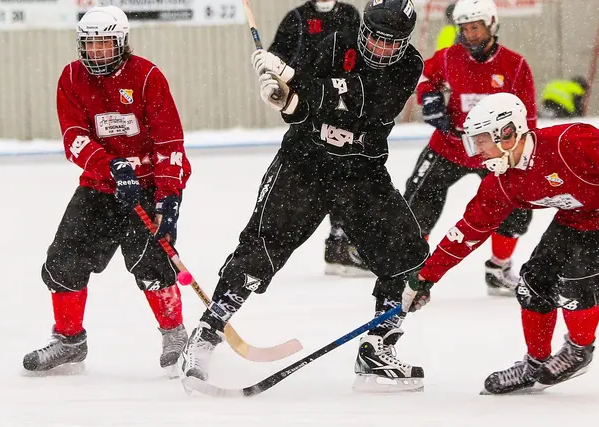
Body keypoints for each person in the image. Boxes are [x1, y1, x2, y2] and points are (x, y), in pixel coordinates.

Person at [179, 0, 429, 393]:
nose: (382, 50)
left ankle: (378, 347)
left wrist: (295, 83)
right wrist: (282, 97)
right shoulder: (332, 43)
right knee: (262, 248)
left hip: (360, 169)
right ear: (363, 30)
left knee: (407, 255)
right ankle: (208, 331)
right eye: (376, 39)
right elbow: (300, 112)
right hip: (305, 162)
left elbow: (365, 103)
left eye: (391, 43)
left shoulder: (408, 65)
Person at [402, 92, 599, 394]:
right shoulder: (502, 181)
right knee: (532, 283)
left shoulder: (570, 142)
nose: (476, 152)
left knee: (575, 283)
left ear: (507, 132)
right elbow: (468, 230)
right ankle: (535, 363)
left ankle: (579, 349)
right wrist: (425, 278)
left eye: (481, 141)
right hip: (575, 218)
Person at [23, 5, 191, 376]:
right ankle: (69, 341)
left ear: (122, 42)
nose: (97, 52)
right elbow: (74, 138)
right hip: (99, 186)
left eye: (105, 43)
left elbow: (169, 141)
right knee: (63, 260)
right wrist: (111, 165)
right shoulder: (70, 78)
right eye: (90, 44)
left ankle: (175, 333)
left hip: (147, 187)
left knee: (151, 261)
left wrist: (169, 195)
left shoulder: (147, 76)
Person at [402, 0, 537, 296]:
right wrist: (430, 98)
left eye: (475, 27)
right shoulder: (450, 57)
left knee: (516, 205)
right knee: (417, 197)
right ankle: (411, 267)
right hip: (450, 145)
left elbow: (528, 115)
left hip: (495, 153)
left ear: (490, 24)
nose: (470, 34)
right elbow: (424, 75)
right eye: (464, 28)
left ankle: (498, 269)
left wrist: (518, 152)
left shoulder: (514, 66)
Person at [268, 0, 366, 277]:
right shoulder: (296, 18)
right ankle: (268, 248)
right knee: (309, 179)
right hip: (308, 109)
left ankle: (340, 243)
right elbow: (278, 59)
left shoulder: (349, 14)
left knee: (348, 173)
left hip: (345, 107)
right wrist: (272, 75)